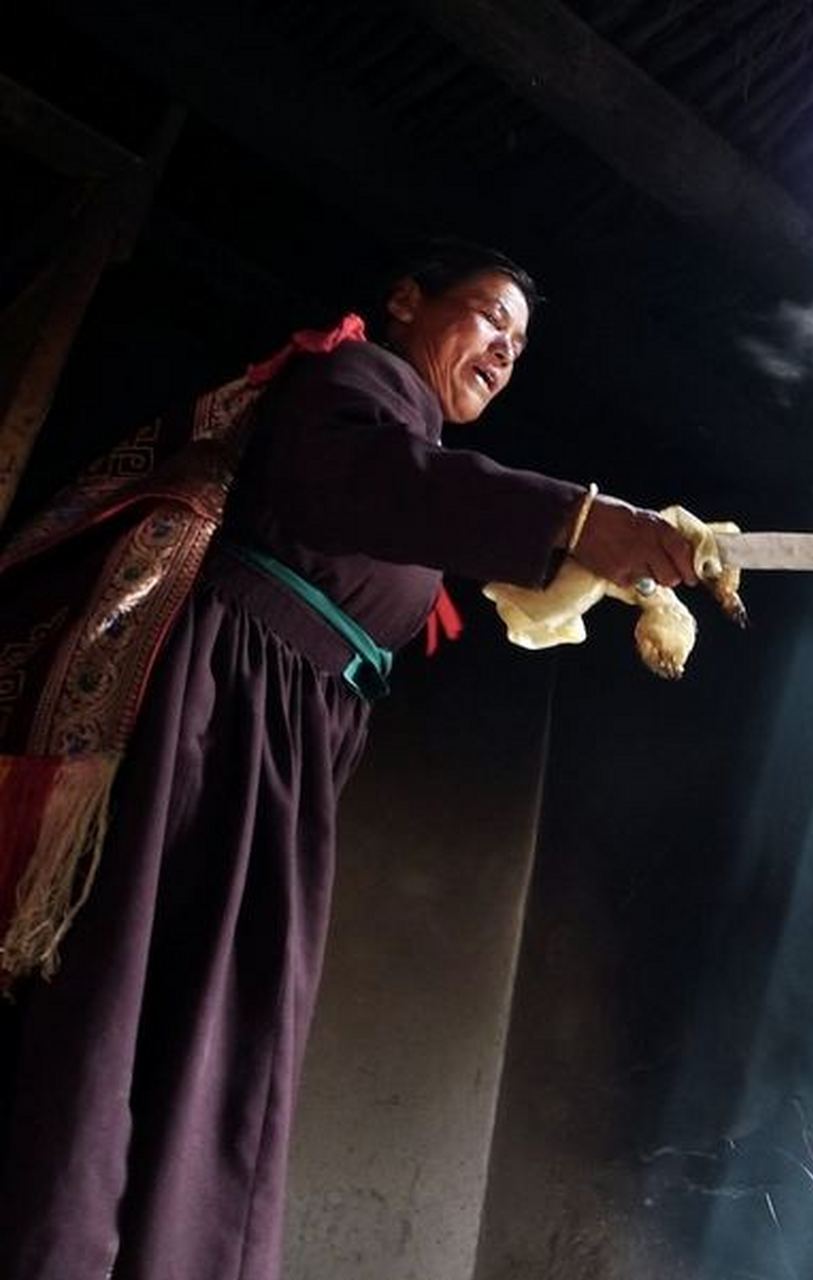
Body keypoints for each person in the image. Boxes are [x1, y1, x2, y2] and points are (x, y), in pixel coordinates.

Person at [0, 239, 710, 1278]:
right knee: (148, 999)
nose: (504, 351)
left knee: (224, 1022)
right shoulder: (352, 381)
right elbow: (377, 483)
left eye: (518, 345)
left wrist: (577, 562)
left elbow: (414, 505)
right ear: (405, 302)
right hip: (220, 710)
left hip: (285, 732)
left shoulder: (400, 431)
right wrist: (576, 518)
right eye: (486, 318)